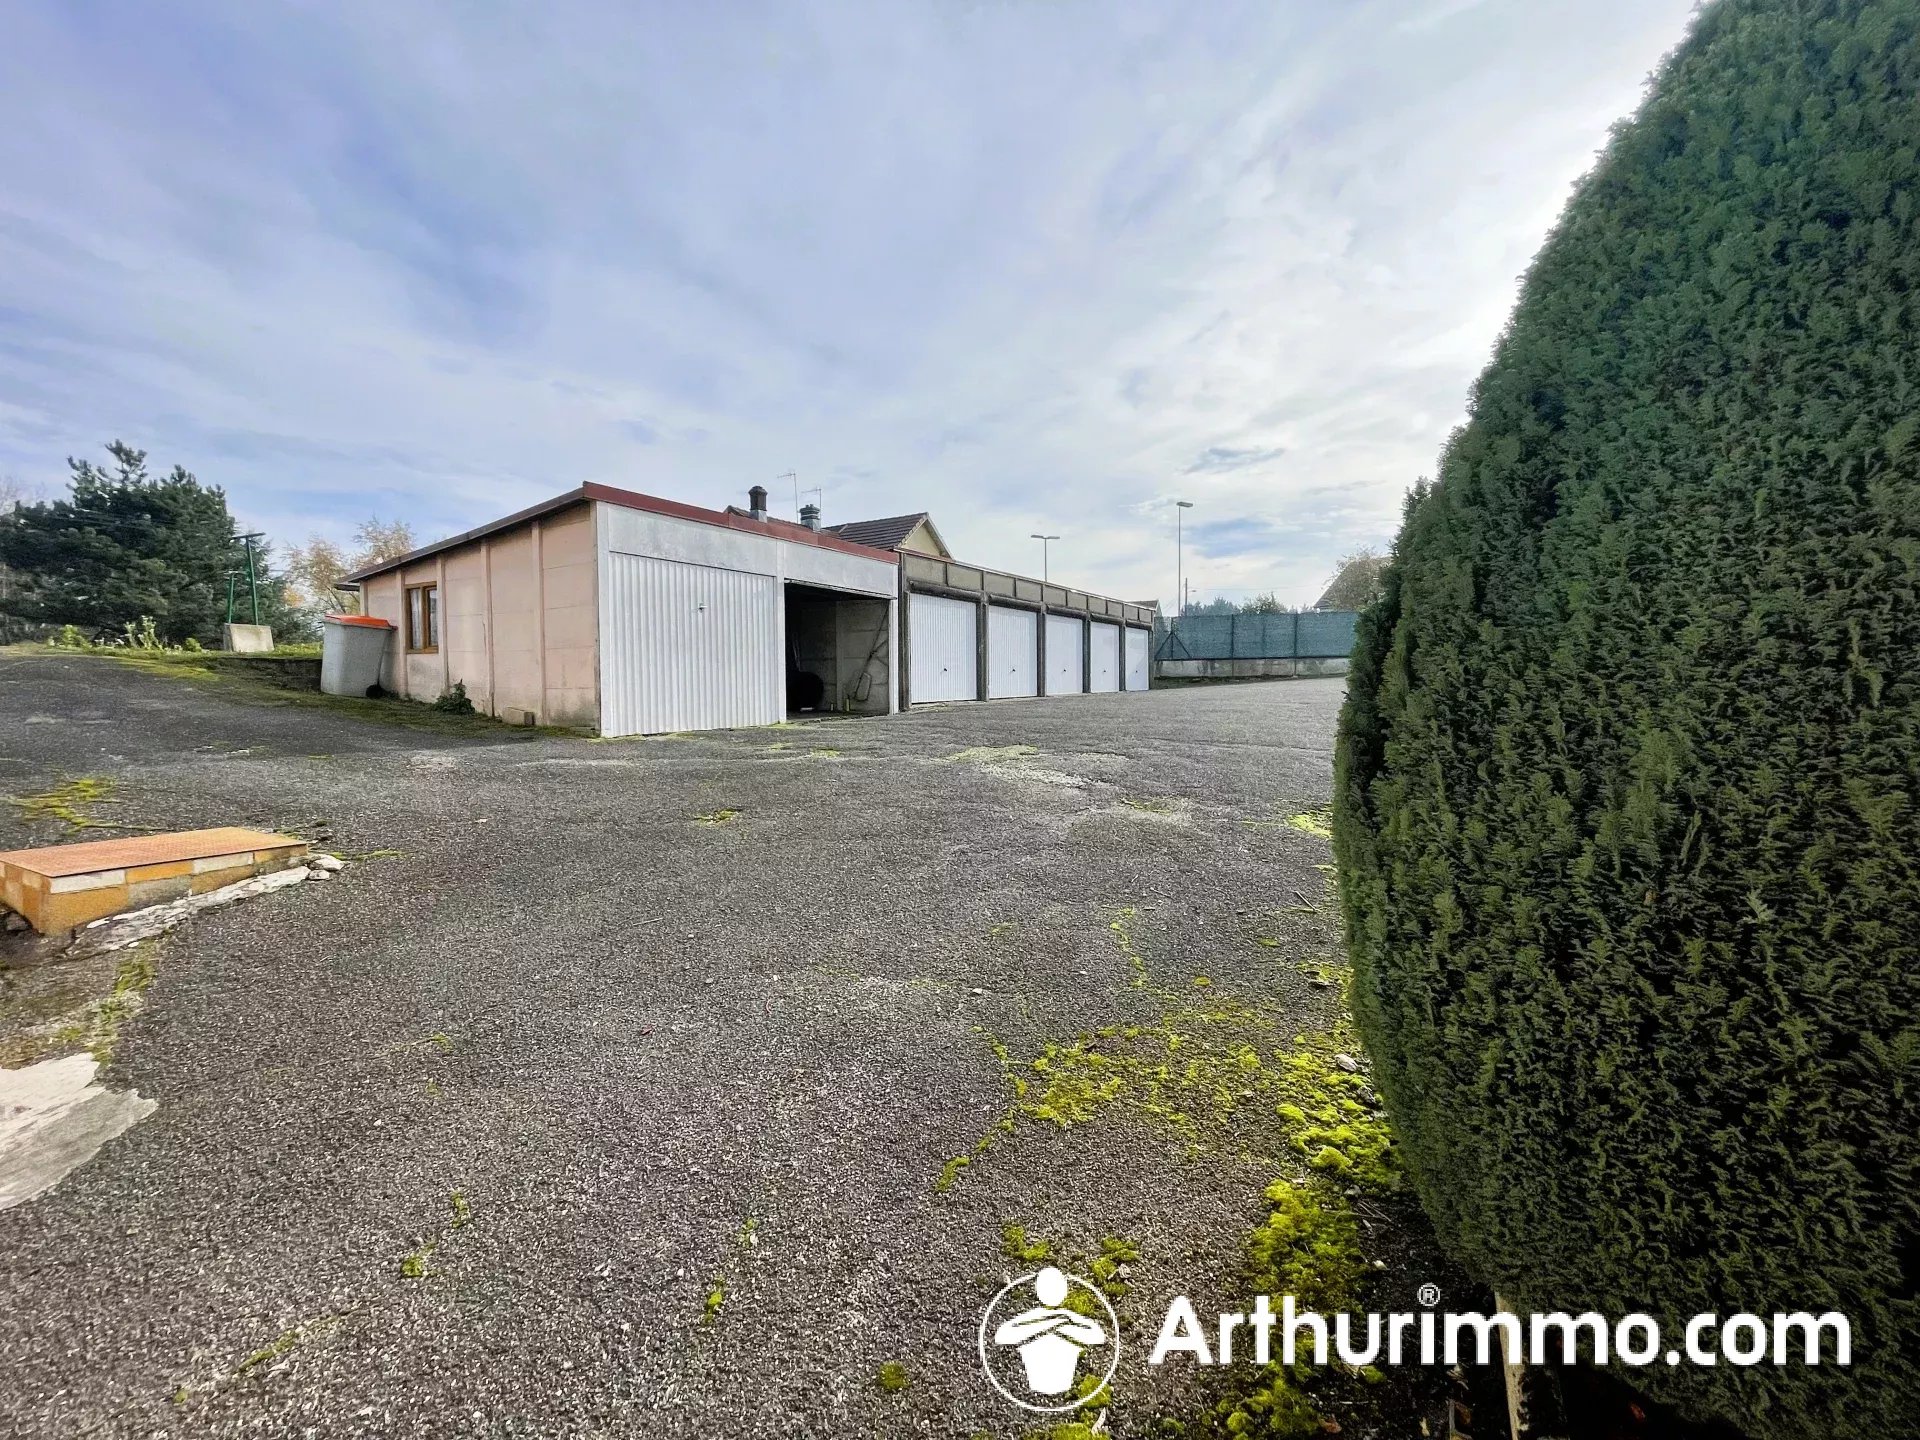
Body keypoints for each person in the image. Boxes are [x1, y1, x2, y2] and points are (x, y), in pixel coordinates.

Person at [993, 1267, 1108, 1395]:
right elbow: (1002, 1335)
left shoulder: (1067, 1315)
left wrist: (1062, 1326)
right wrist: (1053, 1323)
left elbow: (1098, 1335)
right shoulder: (1039, 1315)